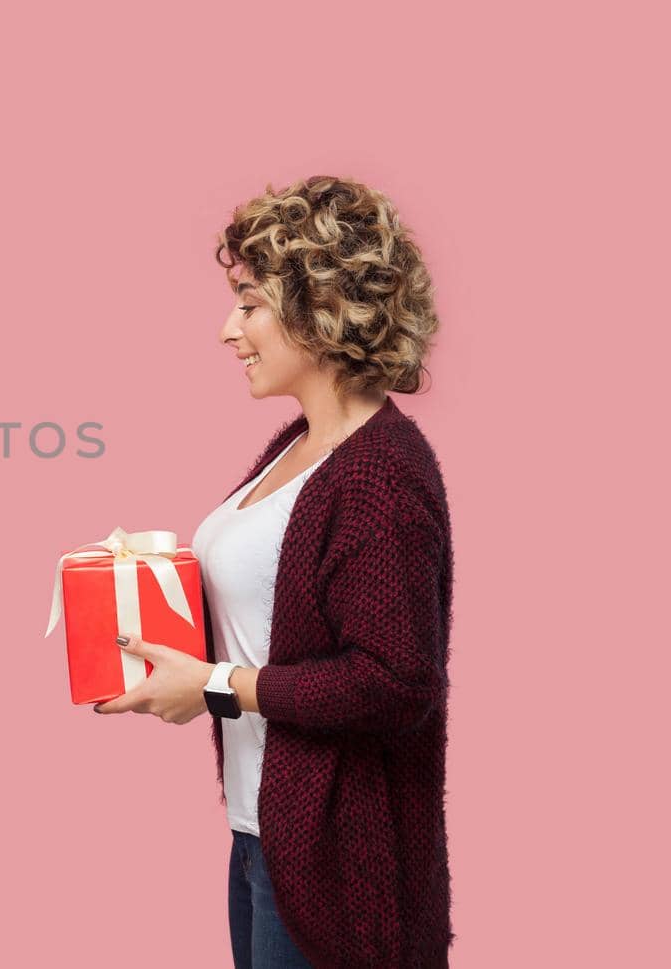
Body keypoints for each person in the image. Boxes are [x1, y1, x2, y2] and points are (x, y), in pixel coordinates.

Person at [93, 176, 454, 967]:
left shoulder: (380, 476)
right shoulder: (301, 445)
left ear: (318, 308)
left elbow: (394, 682)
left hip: (338, 866)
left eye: (250, 303)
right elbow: (268, 602)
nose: (230, 330)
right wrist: (141, 574)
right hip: (266, 837)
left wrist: (216, 686)